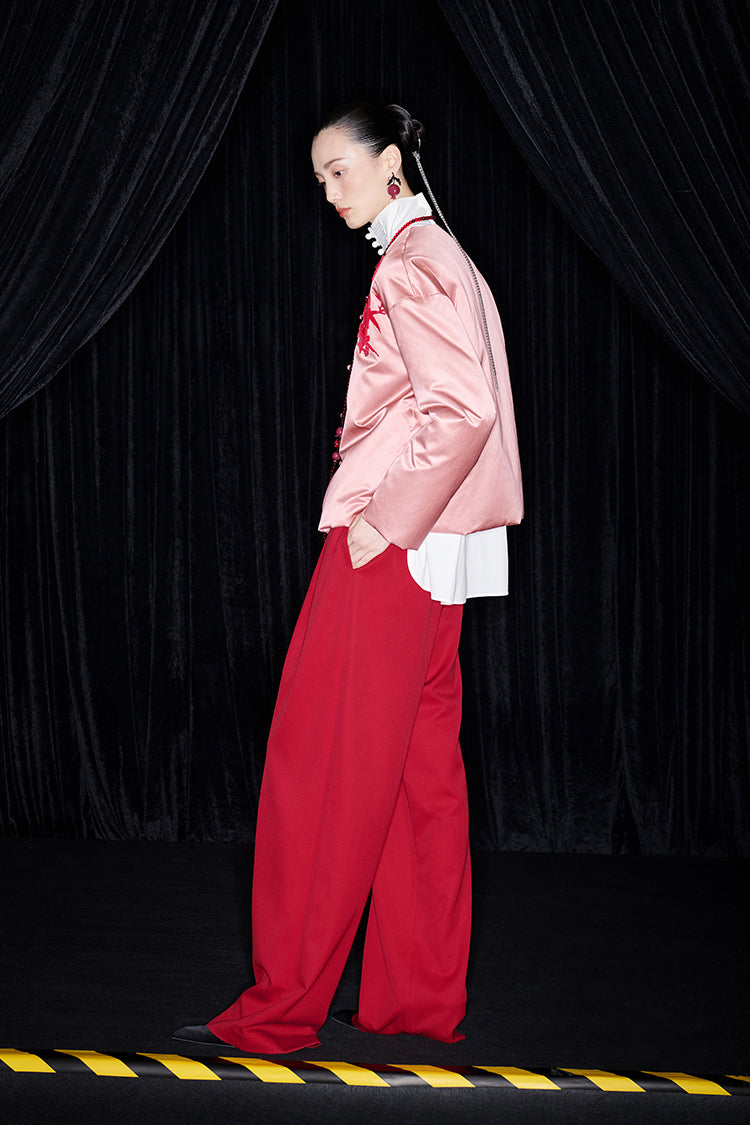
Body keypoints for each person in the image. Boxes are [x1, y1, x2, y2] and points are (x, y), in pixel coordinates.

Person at [174, 102, 523, 1055]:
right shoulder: (444, 256)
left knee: (319, 767)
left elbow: (462, 411)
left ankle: (282, 1007)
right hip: (437, 551)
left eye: (338, 170)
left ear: (391, 161)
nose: (328, 191)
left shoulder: (412, 263)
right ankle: (413, 1001)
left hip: (394, 547)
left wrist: (382, 519)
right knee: (416, 780)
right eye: (319, 177)